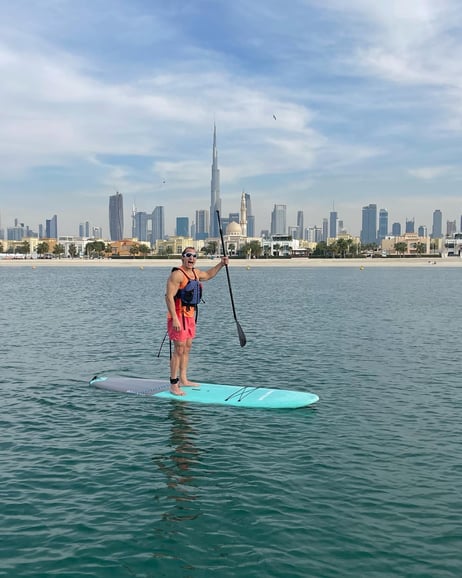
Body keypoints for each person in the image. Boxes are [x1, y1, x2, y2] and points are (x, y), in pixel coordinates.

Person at [165, 247, 229, 396]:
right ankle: (173, 384)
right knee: (178, 350)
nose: (191, 258)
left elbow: (208, 275)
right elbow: (168, 297)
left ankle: (184, 379)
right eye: (188, 255)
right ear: (182, 258)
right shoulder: (177, 275)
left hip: (190, 316)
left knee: (187, 348)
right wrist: (174, 318)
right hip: (178, 317)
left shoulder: (196, 273)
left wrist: (221, 264)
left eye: (194, 256)